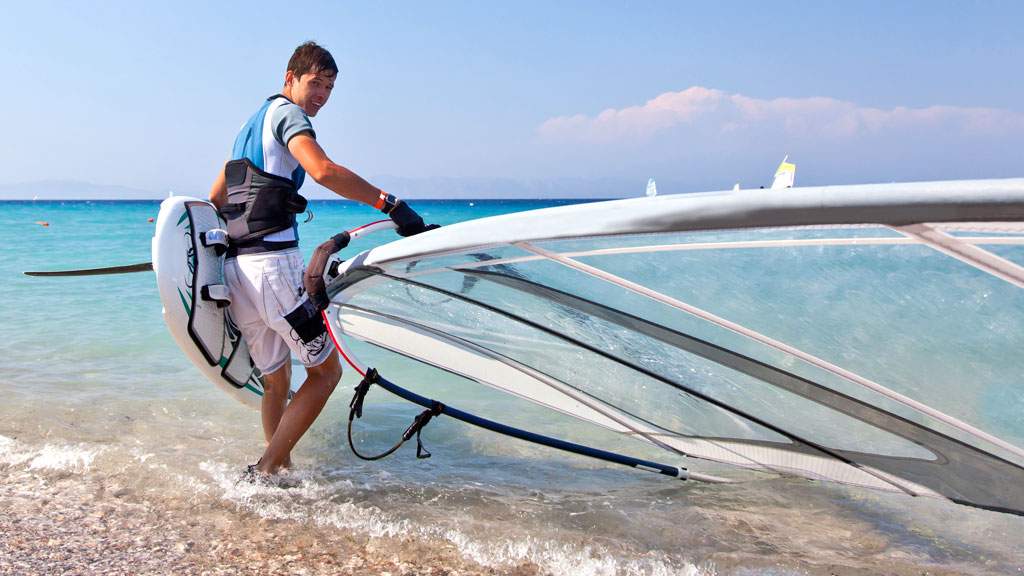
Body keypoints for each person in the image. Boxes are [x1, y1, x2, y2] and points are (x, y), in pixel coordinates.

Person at [209, 41, 435, 479]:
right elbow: (322, 170)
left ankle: (277, 471)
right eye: (315, 83)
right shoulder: (289, 116)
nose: (322, 96)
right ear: (289, 77)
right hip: (273, 272)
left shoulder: (247, 127)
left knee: (277, 380)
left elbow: (217, 196)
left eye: (330, 88)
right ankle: (265, 469)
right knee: (326, 374)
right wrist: (389, 204)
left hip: (239, 276)